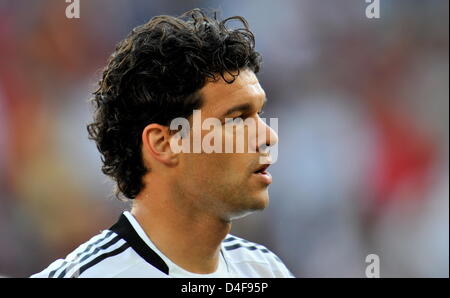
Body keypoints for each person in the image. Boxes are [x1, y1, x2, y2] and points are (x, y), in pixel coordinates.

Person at [31, 8, 293, 278]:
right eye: (236, 119)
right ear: (163, 144)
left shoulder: (265, 270)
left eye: (259, 115)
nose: (268, 136)